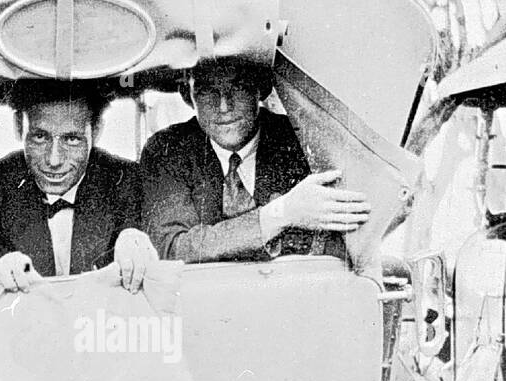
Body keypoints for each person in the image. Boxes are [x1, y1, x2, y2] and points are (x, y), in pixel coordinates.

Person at [139, 57, 371, 262]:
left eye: (237, 87)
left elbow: (340, 244)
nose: (224, 106)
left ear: (259, 91)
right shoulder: (168, 149)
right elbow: (171, 247)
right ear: (188, 96)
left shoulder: (300, 140)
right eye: (207, 91)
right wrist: (282, 213)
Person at [0, 78, 156, 293]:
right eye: (40, 137)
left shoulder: (127, 181)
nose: (54, 160)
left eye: (72, 139)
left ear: (96, 131)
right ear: (18, 126)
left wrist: (135, 239)